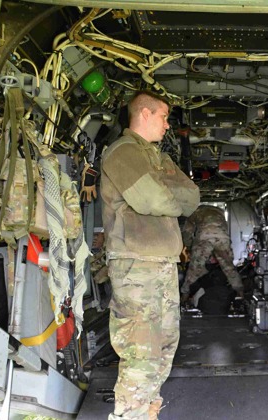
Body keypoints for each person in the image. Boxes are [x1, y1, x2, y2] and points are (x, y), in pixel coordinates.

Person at [101, 90, 200, 420]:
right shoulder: (123, 152)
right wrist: (169, 197)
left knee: (166, 345)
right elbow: (150, 201)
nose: (168, 125)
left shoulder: (160, 158)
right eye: (163, 116)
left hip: (163, 265)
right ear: (144, 113)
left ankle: (148, 410)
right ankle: (129, 415)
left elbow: (193, 197)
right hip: (136, 265)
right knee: (140, 352)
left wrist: (167, 195)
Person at [180, 205, 244, 301]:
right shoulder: (220, 212)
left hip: (204, 236)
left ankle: (184, 296)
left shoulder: (195, 212)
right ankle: (240, 294)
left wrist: (189, 246)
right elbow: (224, 227)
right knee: (229, 267)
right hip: (223, 238)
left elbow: (187, 231)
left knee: (195, 268)